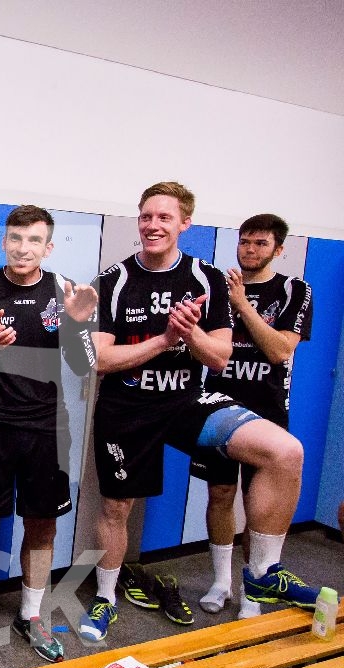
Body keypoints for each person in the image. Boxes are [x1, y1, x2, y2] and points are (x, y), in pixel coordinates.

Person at [83, 181, 309, 642]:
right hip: (127, 407)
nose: (152, 225)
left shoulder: (205, 279)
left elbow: (220, 358)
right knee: (116, 507)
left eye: (164, 217)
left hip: (185, 401)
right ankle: (106, 598)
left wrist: (191, 334)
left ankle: (264, 572)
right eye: (146, 216)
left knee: (285, 452)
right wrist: (165, 340)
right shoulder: (112, 281)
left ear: (185, 223)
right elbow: (100, 359)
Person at [0, 205, 97, 663]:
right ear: (4, 242)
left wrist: (78, 324)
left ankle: (31, 615)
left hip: (47, 428)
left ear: (48, 247)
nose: (23, 248)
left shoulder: (64, 290)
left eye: (33, 241)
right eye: (15, 239)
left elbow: (84, 365)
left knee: (42, 523)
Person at [191, 214, 313, 617]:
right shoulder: (216, 288)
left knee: (257, 504)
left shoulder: (293, 290)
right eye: (245, 242)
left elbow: (280, 350)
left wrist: (242, 305)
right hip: (217, 407)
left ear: (278, 249)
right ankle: (221, 582)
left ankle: (253, 589)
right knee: (220, 494)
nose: (250, 250)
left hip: (267, 412)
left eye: (261, 243)